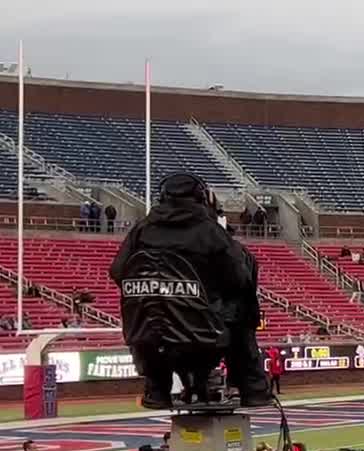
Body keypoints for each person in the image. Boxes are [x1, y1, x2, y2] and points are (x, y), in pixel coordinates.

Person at [108, 172, 271, 409]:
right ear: (201, 197)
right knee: (241, 307)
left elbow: (118, 271)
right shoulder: (210, 232)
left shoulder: (141, 230)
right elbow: (240, 279)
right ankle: (253, 387)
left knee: (148, 310)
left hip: (148, 332)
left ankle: (157, 389)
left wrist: (160, 292)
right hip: (203, 333)